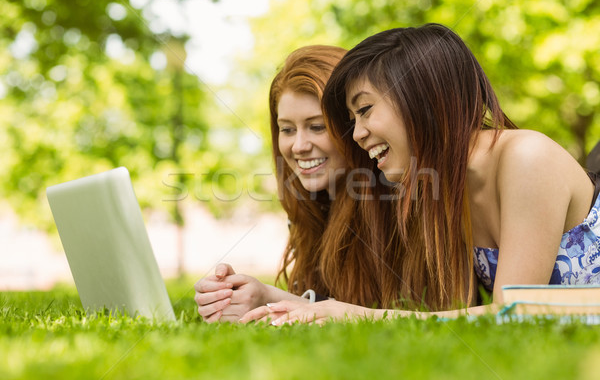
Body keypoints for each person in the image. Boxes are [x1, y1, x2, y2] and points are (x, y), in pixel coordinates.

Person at [240, 23, 600, 325]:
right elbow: (452, 312)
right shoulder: (439, 190)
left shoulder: (526, 157)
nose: (357, 134)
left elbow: (511, 316)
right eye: (353, 121)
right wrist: (280, 300)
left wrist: (363, 316)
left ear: (421, 99)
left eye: (365, 110)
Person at [194, 45, 400, 323]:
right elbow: (337, 309)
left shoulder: (395, 201)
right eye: (287, 130)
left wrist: (271, 298)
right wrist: (262, 296)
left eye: (317, 127)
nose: (299, 146)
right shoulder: (315, 205)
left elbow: (398, 312)